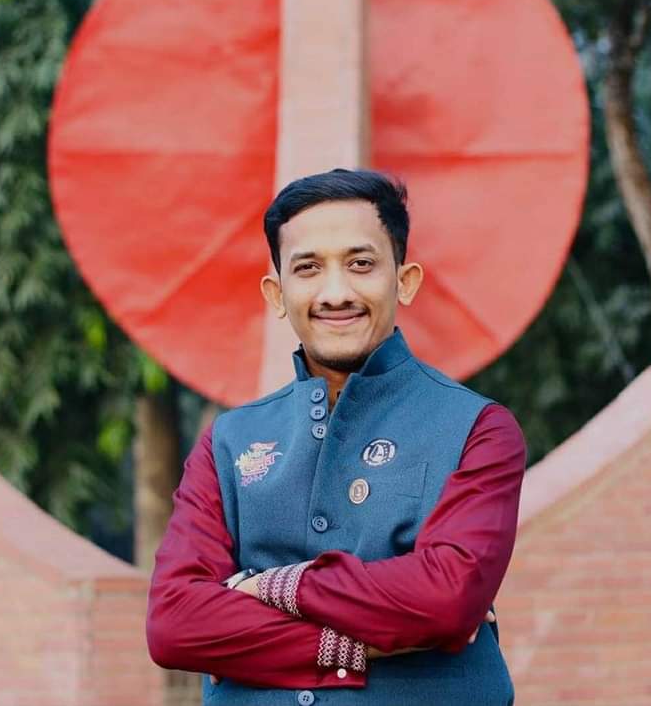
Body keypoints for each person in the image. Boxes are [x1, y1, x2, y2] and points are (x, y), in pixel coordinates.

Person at [146, 168, 527, 705]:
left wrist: (269, 585)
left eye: (361, 264)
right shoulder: (229, 442)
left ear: (405, 280)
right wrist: (353, 645)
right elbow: (174, 623)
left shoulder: (477, 429)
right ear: (277, 293)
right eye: (308, 268)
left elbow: (448, 597)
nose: (336, 293)